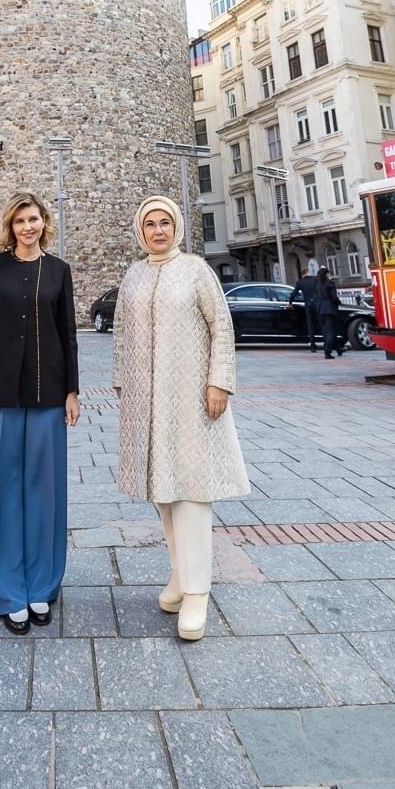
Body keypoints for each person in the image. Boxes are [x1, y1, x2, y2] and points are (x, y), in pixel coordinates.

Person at [113, 196, 249, 641]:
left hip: (192, 398)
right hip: (147, 403)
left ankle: (197, 592)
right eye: (150, 224)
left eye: (165, 222)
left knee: (192, 492)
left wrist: (219, 382)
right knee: (164, 493)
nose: (158, 230)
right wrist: (123, 385)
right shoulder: (134, 275)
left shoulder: (196, 271)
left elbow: (221, 326)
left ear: (177, 227)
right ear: (140, 231)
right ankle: (178, 574)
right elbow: (121, 334)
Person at [0, 191, 80, 635]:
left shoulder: (59, 271)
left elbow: (68, 333)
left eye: (33, 219)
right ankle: (6, 590)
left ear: (44, 222)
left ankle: (42, 586)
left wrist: (72, 390)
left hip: (48, 390)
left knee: (44, 491)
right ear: (10, 227)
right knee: (0, 491)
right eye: (19, 221)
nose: (27, 227)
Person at [315, 267, 343, 359]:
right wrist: (339, 302)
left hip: (320, 309)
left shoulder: (318, 284)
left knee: (325, 331)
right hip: (329, 309)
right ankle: (327, 351)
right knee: (331, 331)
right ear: (327, 274)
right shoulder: (330, 283)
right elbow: (334, 297)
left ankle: (338, 349)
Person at [289, 269, 320, 352]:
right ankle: (327, 342)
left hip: (308, 305)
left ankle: (313, 346)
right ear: (308, 272)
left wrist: (290, 302)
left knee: (310, 325)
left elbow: (294, 293)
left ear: (302, 274)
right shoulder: (315, 279)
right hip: (317, 304)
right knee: (322, 323)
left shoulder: (300, 282)